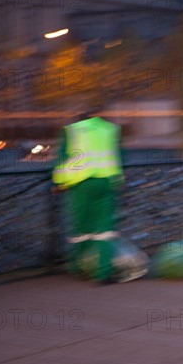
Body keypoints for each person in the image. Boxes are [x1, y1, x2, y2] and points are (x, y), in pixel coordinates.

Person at [52, 109, 124, 283]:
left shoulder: (72, 130)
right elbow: (121, 157)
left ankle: (78, 267)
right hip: (106, 182)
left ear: (79, 120)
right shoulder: (110, 129)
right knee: (105, 229)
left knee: (80, 227)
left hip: (80, 184)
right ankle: (104, 274)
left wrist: (60, 184)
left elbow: (63, 159)